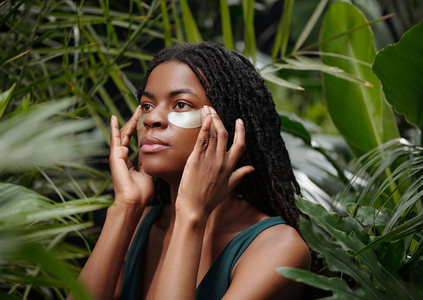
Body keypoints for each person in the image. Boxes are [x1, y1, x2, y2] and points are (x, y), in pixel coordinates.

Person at [70, 43, 310, 300]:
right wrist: (126, 207)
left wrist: (191, 216)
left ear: (226, 124)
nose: (152, 119)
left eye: (181, 104)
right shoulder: (142, 223)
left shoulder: (278, 247)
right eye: (147, 105)